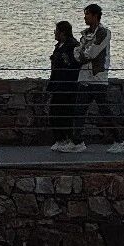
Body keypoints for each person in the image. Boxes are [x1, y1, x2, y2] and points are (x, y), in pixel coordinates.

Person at [72, 3, 124, 153]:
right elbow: (77, 53)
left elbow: (91, 53)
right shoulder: (85, 34)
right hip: (84, 78)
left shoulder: (104, 33)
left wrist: (82, 54)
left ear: (95, 16)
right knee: (79, 111)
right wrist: (82, 54)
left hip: (98, 79)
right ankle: (77, 142)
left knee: (104, 111)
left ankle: (119, 141)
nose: (85, 17)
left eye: (87, 14)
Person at [48, 20, 82, 152]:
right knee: (54, 113)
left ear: (62, 32)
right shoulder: (59, 46)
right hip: (58, 84)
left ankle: (68, 139)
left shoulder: (72, 46)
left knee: (65, 113)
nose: (54, 33)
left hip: (67, 85)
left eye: (56, 31)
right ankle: (60, 139)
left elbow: (73, 64)